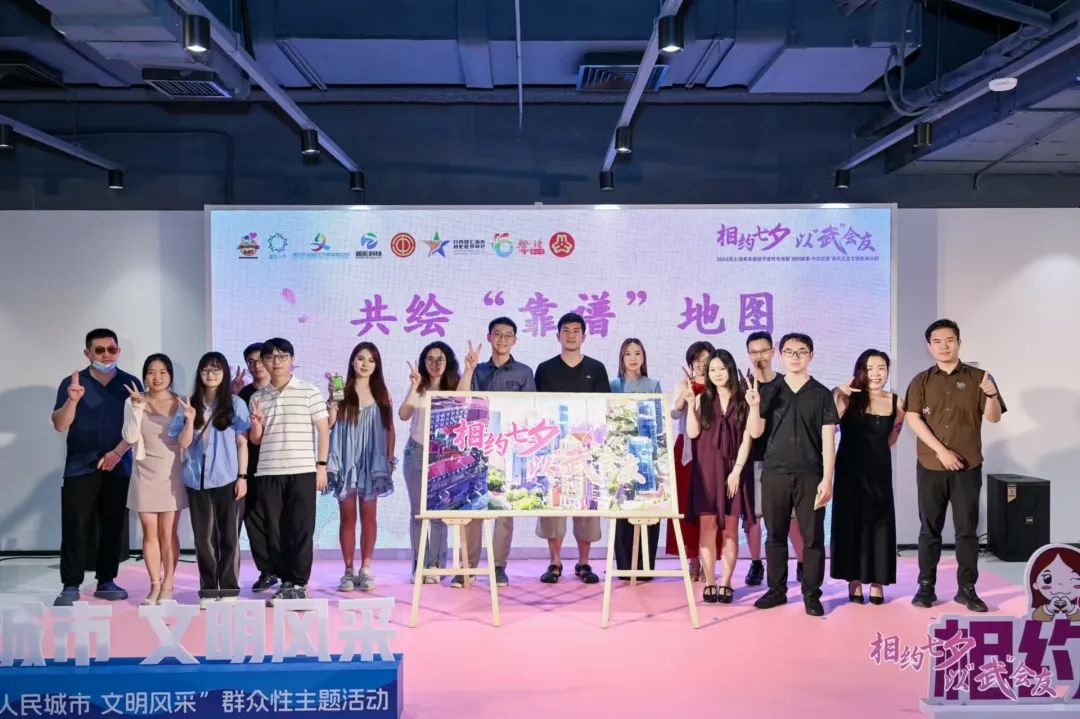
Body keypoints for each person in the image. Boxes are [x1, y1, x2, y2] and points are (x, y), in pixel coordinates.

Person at [905, 319, 1005, 613]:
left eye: (949, 340)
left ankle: (967, 589)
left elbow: (994, 417)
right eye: (937, 341)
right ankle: (926, 587)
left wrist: (992, 394)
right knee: (929, 529)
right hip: (931, 466)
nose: (944, 346)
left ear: (959, 342)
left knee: (967, 531)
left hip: (968, 466)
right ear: (929, 346)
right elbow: (913, 418)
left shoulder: (979, 377)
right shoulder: (921, 380)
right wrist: (942, 452)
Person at [50, 329, 140, 607]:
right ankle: (70, 585)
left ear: (118, 351)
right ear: (87, 353)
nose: (106, 355)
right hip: (80, 467)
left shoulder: (130, 383)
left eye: (111, 349)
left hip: (118, 465)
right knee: (75, 526)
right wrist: (73, 400)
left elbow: (138, 427)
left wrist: (117, 453)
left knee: (112, 526)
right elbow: (60, 424)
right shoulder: (73, 383)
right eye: (99, 350)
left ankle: (106, 581)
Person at [752, 333, 838, 617]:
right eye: (789, 351)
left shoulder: (821, 394)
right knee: (774, 535)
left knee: (812, 538)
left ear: (811, 355)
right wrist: (753, 406)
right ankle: (776, 590)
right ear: (781, 355)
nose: (795, 357)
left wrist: (828, 478)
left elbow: (828, 439)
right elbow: (755, 432)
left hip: (811, 474)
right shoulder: (769, 391)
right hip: (774, 473)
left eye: (802, 351)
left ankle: (811, 593)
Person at [454, 317, 535, 588]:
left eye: (507, 335)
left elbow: (530, 410)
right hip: (476, 448)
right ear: (489, 337)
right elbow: (460, 399)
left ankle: (498, 567)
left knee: (504, 509)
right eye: (497, 334)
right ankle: (467, 567)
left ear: (515, 340)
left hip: (508, 448)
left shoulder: (524, 372)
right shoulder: (477, 370)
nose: (502, 339)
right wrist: (468, 369)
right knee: (472, 508)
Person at [248, 338, 330, 604]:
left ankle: (299, 583)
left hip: (302, 470)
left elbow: (323, 429)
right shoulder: (258, 397)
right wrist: (256, 424)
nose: (276, 362)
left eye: (282, 356)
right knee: (275, 530)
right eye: (270, 357)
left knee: (301, 528)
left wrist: (321, 466)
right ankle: (285, 581)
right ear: (264, 362)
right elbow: (256, 440)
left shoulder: (309, 391)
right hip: (269, 471)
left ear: (292, 360)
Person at [534, 313, 610, 585]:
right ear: (557, 335)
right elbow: (537, 409)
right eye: (565, 330)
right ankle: (554, 562)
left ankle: (584, 563)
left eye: (576, 331)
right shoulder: (545, 369)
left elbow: (603, 409)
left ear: (584, 336)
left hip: (587, 450)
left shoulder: (596, 368)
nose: (571, 335)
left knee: (586, 506)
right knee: (554, 506)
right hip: (554, 450)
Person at [174, 352, 250, 609]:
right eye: (206, 369)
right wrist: (188, 420)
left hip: (227, 477)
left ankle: (228, 587)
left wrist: (242, 477)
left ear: (224, 374)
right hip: (196, 479)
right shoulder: (188, 403)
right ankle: (208, 588)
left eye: (216, 369)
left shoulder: (236, 404)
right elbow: (183, 443)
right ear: (199, 373)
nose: (211, 374)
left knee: (229, 536)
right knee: (203, 537)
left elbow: (242, 443)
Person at [830, 349, 905, 605]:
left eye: (881, 368)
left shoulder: (897, 402)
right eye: (870, 368)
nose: (876, 374)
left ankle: (877, 582)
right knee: (851, 522)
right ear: (860, 371)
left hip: (879, 472)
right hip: (849, 472)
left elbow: (893, 437)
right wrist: (839, 392)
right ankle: (853, 579)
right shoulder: (849, 398)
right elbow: (828, 423)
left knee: (879, 524)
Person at [686, 349, 758, 604]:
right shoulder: (701, 399)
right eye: (712, 370)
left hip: (734, 470)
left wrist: (737, 471)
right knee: (707, 528)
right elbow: (692, 433)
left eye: (721, 369)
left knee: (729, 528)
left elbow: (751, 435)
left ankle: (726, 582)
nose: (717, 374)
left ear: (730, 369)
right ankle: (710, 581)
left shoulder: (743, 399)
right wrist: (690, 406)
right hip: (707, 470)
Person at [325, 342, 395, 593]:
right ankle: (348, 570)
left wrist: (388, 460)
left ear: (377, 365)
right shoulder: (341, 390)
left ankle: (365, 568)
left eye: (371, 360)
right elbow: (330, 424)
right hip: (346, 461)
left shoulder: (382, 394)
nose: (365, 364)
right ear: (352, 361)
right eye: (360, 358)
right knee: (347, 518)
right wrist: (331, 403)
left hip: (371, 461)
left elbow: (390, 429)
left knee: (369, 517)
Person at [122, 353, 186, 605]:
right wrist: (137, 407)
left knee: (168, 533)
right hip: (144, 472)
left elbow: (188, 439)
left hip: (172, 472)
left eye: (162, 372)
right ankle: (154, 585)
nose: (156, 377)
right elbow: (129, 437)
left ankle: (168, 583)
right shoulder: (133, 400)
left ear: (170, 375)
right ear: (144, 376)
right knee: (149, 533)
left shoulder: (182, 402)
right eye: (151, 372)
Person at [743, 331, 805, 586]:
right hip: (752, 458)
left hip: (782, 461)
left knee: (790, 517)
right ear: (749, 355)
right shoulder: (744, 386)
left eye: (763, 351)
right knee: (753, 517)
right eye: (754, 352)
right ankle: (756, 563)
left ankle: (802, 562)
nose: (759, 356)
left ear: (772, 351)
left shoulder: (785, 383)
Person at [399, 341, 459, 582]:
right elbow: (403, 415)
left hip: (443, 455)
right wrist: (413, 386)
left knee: (438, 513)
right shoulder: (419, 388)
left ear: (447, 362)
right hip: (415, 453)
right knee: (417, 513)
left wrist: (470, 368)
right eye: (430, 359)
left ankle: (435, 566)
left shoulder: (453, 389)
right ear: (424, 362)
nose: (435, 364)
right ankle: (419, 567)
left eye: (440, 359)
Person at [610, 338, 662, 578]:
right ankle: (624, 566)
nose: (633, 358)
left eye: (637, 353)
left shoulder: (653, 385)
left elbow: (660, 421)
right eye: (628, 354)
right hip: (621, 457)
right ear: (621, 358)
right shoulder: (613, 385)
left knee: (649, 509)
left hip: (648, 454)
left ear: (644, 357)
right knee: (623, 507)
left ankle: (645, 566)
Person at [668, 341, 713, 581]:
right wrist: (684, 397)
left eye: (706, 360)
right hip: (686, 449)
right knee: (687, 506)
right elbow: (674, 413)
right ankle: (693, 559)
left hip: (711, 450)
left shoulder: (718, 383)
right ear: (690, 362)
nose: (702, 365)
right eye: (697, 360)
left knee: (709, 508)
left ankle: (708, 561)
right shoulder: (683, 384)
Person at [234, 342, 277, 593]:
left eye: (260, 360)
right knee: (253, 519)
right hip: (249, 465)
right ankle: (267, 571)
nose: (256, 365)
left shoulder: (279, 390)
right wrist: (232, 395)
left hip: (277, 463)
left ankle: (286, 570)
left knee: (278, 519)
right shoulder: (242, 394)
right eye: (250, 362)